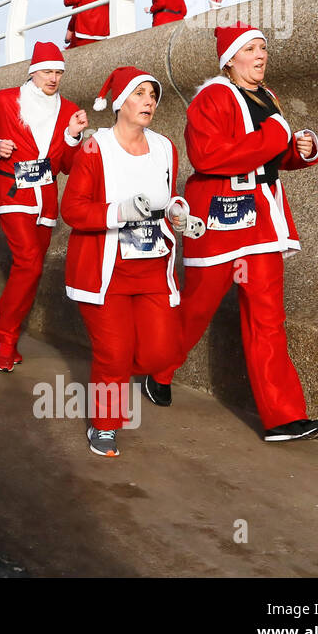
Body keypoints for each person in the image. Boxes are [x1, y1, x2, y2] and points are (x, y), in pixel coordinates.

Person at [149, 22, 318, 443]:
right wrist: (274, 135)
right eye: (250, 48)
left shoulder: (267, 96)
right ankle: (160, 369)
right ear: (230, 59)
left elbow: (270, 155)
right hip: (220, 221)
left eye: (263, 47)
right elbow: (208, 156)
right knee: (197, 307)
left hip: (262, 221)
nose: (261, 55)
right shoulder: (211, 97)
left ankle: (283, 417)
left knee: (268, 318)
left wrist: (299, 149)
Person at [62, 66, 203, 458]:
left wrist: (180, 214)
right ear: (120, 101)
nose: (149, 102)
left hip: (154, 268)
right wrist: (118, 210)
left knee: (162, 352)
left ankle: (125, 375)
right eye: (140, 94)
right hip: (105, 271)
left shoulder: (165, 147)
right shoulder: (96, 147)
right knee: (114, 353)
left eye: (153, 96)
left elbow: (168, 198)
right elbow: (71, 209)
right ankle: (105, 425)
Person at [0, 41, 87, 371]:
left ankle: (0, 332)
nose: (53, 78)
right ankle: (7, 339)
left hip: (46, 195)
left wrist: (73, 137)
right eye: (47, 72)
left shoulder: (68, 109)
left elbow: (68, 165)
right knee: (29, 264)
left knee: (31, 269)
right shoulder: (6, 100)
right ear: (33, 72)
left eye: (58, 72)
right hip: (12, 190)